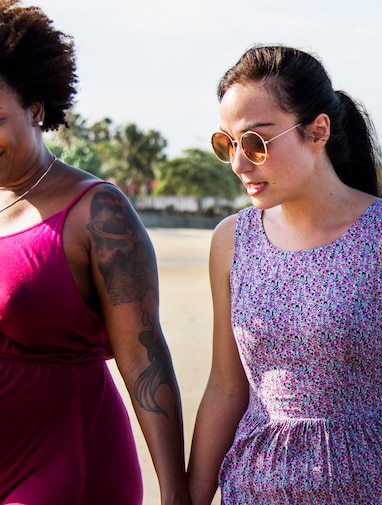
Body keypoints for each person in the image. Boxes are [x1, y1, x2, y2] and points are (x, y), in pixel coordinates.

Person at [187, 44, 382, 505]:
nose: (239, 163)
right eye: (227, 144)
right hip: (255, 488)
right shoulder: (231, 241)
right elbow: (226, 388)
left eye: (255, 142)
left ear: (318, 130)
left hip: (378, 487)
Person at [0, 2, 191, 504]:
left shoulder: (98, 211)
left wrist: (175, 492)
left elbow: (144, 355)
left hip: (62, 459)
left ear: (36, 108)